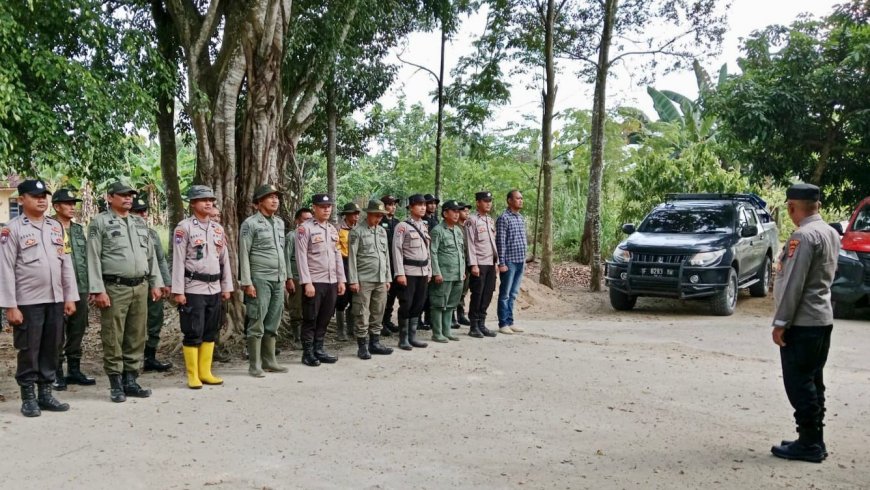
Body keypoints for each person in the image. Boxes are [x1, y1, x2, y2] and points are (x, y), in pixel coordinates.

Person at [769, 184, 840, 463]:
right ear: (818, 206)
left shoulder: (804, 236)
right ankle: (813, 439)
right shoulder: (830, 232)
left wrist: (781, 322)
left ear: (791, 207)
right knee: (813, 381)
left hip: (803, 322)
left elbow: (793, 284)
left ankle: (809, 443)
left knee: (799, 383)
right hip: (822, 318)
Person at [0, 179, 78, 417]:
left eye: (44, 195)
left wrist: (70, 296)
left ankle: (45, 393)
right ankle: (28, 397)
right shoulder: (11, 230)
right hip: (28, 301)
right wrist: (10, 306)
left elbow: (66, 264)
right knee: (29, 349)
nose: (42, 200)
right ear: (21, 199)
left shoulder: (56, 228)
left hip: (55, 299)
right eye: (35, 196)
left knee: (52, 347)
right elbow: (5, 269)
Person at [88, 181, 163, 403]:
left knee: (136, 334)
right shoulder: (99, 223)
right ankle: (115, 383)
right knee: (113, 335)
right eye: (122, 195)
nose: (128, 198)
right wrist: (97, 289)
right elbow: (92, 257)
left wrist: (156, 283)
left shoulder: (139, 224)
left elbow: (151, 257)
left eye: (130, 195)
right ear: (109, 198)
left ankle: (131, 379)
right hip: (114, 287)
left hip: (140, 286)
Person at [171, 185, 234, 389]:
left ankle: (205, 372)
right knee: (193, 331)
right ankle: (192, 375)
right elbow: (178, 261)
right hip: (193, 287)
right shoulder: (184, 228)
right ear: (192, 203)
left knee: (210, 331)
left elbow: (224, 259)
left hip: (214, 288)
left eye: (210, 200)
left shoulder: (217, 229)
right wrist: (178, 291)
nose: (208, 203)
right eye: (203, 199)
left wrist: (227, 286)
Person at [239, 184, 288, 377]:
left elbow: (281, 252)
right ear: (259, 202)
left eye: (276, 197)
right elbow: (244, 253)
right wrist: (247, 282)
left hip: (278, 279)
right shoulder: (250, 224)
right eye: (270, 197)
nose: (275, 200)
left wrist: (285, 277)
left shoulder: (279, 223)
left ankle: (269, 360)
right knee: (256, 322)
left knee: (273, 321)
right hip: (259, 279)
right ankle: (254, 364)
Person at [51, 188, 96, 390]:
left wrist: (91, 286)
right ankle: (56, 372)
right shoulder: (48, 227)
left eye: (73, 203)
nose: (72, 207)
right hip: (57, 289)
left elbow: (85, 258)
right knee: (57, 330)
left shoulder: (77, 229)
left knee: (78, 329)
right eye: (67, 203)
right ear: (56, 206)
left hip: (81, 286)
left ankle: (74, 370)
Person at [296, 193, 346, 366]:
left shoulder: (332, 229)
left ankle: (319, 348)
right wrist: (306, 282)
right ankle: (307, 352)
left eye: (329, 207)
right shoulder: (305, 228)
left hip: (331, 280)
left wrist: (341, 280)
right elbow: (301, 257)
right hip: (314, 280)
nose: (326, 209)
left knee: (325, 317)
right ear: (314, 208)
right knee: (310, 317)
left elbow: (337, 254)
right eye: (322, 207)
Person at [347, 200, 394, 359]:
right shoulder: (357, 232)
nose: (379, 218)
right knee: (361, 312)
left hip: (381, 278)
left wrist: (388, 277)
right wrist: (353, 280)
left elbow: (386, 256)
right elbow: (352, 258)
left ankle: (375, 343)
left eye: (381, 216)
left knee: (378, 311)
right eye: (376, 215)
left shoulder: (381, 231)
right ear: (368, 214)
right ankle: (362, 345)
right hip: (364, 279)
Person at [131, 196, 174, 371]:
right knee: (134, 323)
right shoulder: (126, 234)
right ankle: (131, 361)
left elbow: (161, 260)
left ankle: (150, 357)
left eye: (144, 211)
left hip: (154, 283)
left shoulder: (152, 234)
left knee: (155, 319)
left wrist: (166, 282)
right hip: (135, 283)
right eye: (138, 211)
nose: (142, 214)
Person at [392, 194, 431, 350]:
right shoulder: (403, 226)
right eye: (419, 205)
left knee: (419, 304)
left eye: (424, 205)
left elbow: (428, 251)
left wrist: (429, 270)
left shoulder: (424, 225)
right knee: (406, 304)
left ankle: (412, 336)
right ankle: (403, 338)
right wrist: (399, 273)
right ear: (411, 207)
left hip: (422, 272)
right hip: (408, 271)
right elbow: (397, 250)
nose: (423, 207)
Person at [428, 200, 466, 343]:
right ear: (445, 213)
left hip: (457, 274)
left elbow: (461, 253)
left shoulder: (457, 230)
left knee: (451, 304)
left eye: (458, 211)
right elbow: (432, 252)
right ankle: (437, 333)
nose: (457, 214)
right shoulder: (438, 230)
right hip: (444, 274)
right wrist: (436, 272)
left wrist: (462, 271)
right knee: (438, 303)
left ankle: (447, 331)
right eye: (454, 211)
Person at [465, 191, 498, 338]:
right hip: (479, 263)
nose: (488, 203)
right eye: (485, 201)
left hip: (490, 263)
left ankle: (482, 323)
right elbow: (470, 244)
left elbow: (493, 243)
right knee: (477, 294)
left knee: (488, 293)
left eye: (490, 201)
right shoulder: (471, 220)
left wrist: (496, 262)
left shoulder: (490, 220)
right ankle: (473, 325)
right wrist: (473, 265)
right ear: (478, 202)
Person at [495, 190, 528, 334]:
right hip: (509, 261)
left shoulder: (520, 218)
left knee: (513, 294)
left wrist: (525, 260)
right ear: (509, 200)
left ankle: (510, 321)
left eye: (521, 198)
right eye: (517, 198)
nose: (521, 200)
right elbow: (501, 242)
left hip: (520, 260)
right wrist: (501, 263)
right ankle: (503, 323)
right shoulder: (504, 218)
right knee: (505, 293)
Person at [284, 207, 313, 349]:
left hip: (311, 277)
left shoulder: (313, 233)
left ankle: (307, 336)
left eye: (310, 219)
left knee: (310, 307)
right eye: (305, 219)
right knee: (296, 307)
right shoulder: (292, 236)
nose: (308, 221)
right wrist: (288, 278)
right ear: (297, 221)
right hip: (296, 276)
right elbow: (286, 258)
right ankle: (297, 337)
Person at [334, 202, 361, 341]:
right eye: (353, 213)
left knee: (354, 297)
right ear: (347, 215)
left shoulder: (359, 229)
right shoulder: (338, 228)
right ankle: (340, 330)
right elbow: (336, 249)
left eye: (357, 213)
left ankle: (351, 329)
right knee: (342, 299)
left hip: (356, 264)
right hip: (343, 263)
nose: (356, 216)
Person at [209, 205, 232, 363]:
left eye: (218, 216)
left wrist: (226, 286)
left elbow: (225, 262)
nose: (216, 219)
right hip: (200, 284)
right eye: (213, 216)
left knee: (218, 318)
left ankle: (214, 348)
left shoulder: (220, 234)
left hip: (218, 283)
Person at [379, 195, 401, 336]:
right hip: (383, 263)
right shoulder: (380, 221)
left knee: (392, 295)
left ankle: (387, 320)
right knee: (383, 296)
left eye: (394, 204)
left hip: (395, 264)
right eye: (390, 204)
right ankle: (379, 323)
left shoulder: (398, 223)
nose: (393, 207)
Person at [454, 201, 472, 327]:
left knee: (464, 290)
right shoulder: (454, 227)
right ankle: (451, 316)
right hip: (456, 264)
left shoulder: (467, 227)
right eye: (464, 210)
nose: (467, 212)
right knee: (455, 291)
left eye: (468, 210)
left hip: (467, 263)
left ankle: (460, 315)